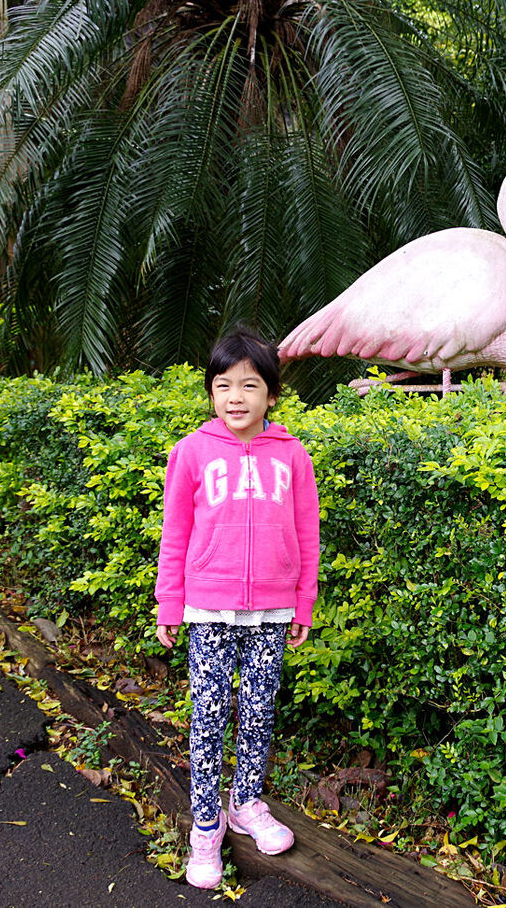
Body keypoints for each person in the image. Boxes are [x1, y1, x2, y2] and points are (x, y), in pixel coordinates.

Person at [154, 327, 319, 889]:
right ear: (210, 392)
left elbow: (307, 533)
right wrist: (170, 603)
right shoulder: (193, 452)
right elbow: (175, 532)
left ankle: (246, 804)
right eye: (223, 385)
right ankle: (206, 825)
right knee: (207, 719)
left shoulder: (293, 456)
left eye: (250, 385)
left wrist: (303, 603)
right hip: (209, 611)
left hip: (271, 614)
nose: (236, 397)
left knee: (256, 713)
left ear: (271, 394)